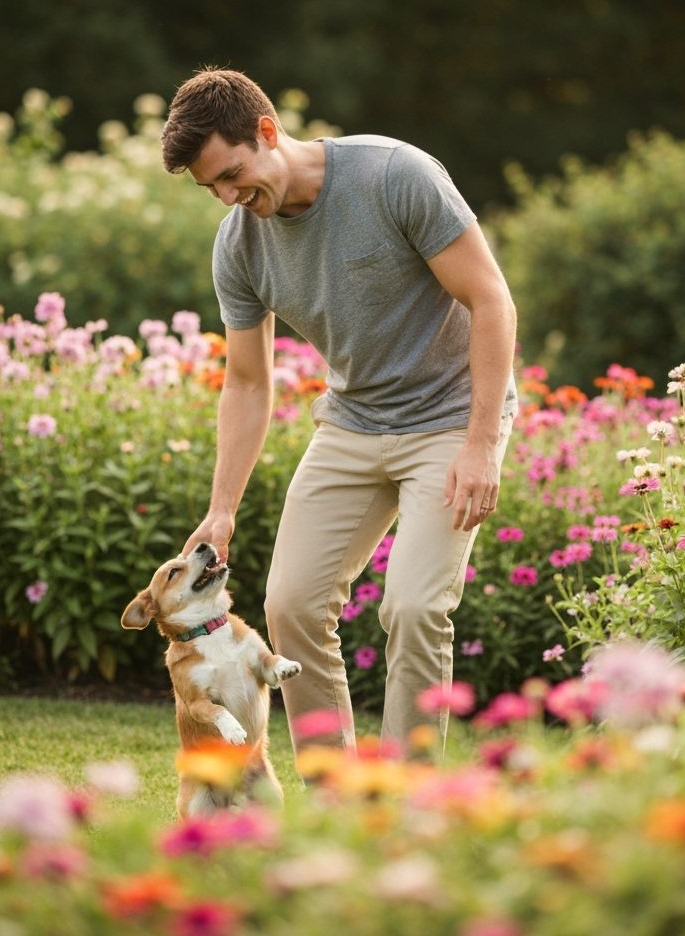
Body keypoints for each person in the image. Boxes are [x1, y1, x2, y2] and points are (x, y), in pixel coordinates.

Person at [161, 67, 517, 754]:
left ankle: (409, 796)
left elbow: (491, 300)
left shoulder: (393, 177)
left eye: (233, 174)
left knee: (413, 608)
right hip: (353, 422)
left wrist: (480, 443)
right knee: (289, 605)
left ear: (268, 132)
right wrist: (222, 506)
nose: (230, 197)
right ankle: (337, 799)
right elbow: (246, 382)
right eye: (213, 189)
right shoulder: (239, 244)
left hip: (449, 415)